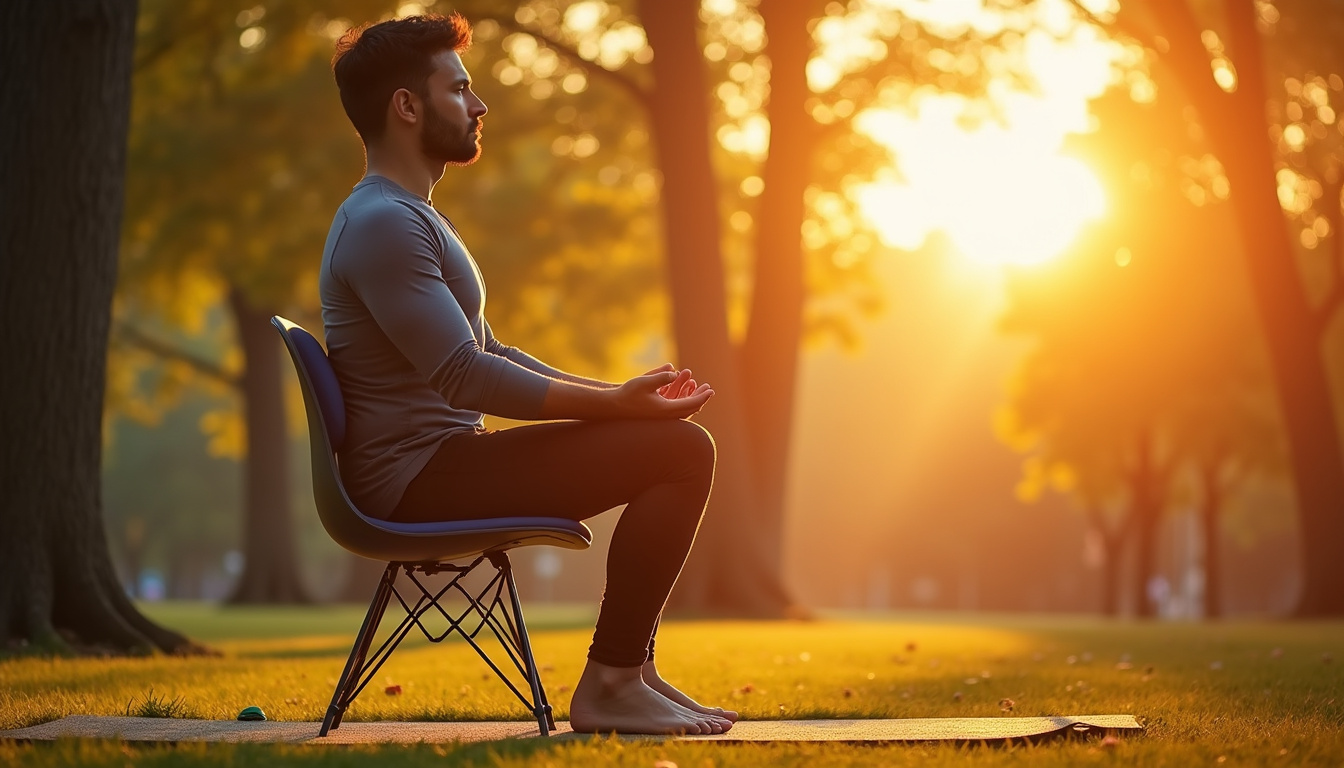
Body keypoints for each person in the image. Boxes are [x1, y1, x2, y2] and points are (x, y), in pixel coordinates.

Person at [321, 13, 736, 735]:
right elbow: (465, 376)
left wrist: (618, 398)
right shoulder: (384, 223)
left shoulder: (409, 216)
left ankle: (631, 672)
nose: (479, 105)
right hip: (416, 483)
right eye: (460, 88)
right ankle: (610, 683)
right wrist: (617, 410)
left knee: (671, 445)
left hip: (440, 466)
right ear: (407, 106)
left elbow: (495, 353)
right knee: (680, 453)